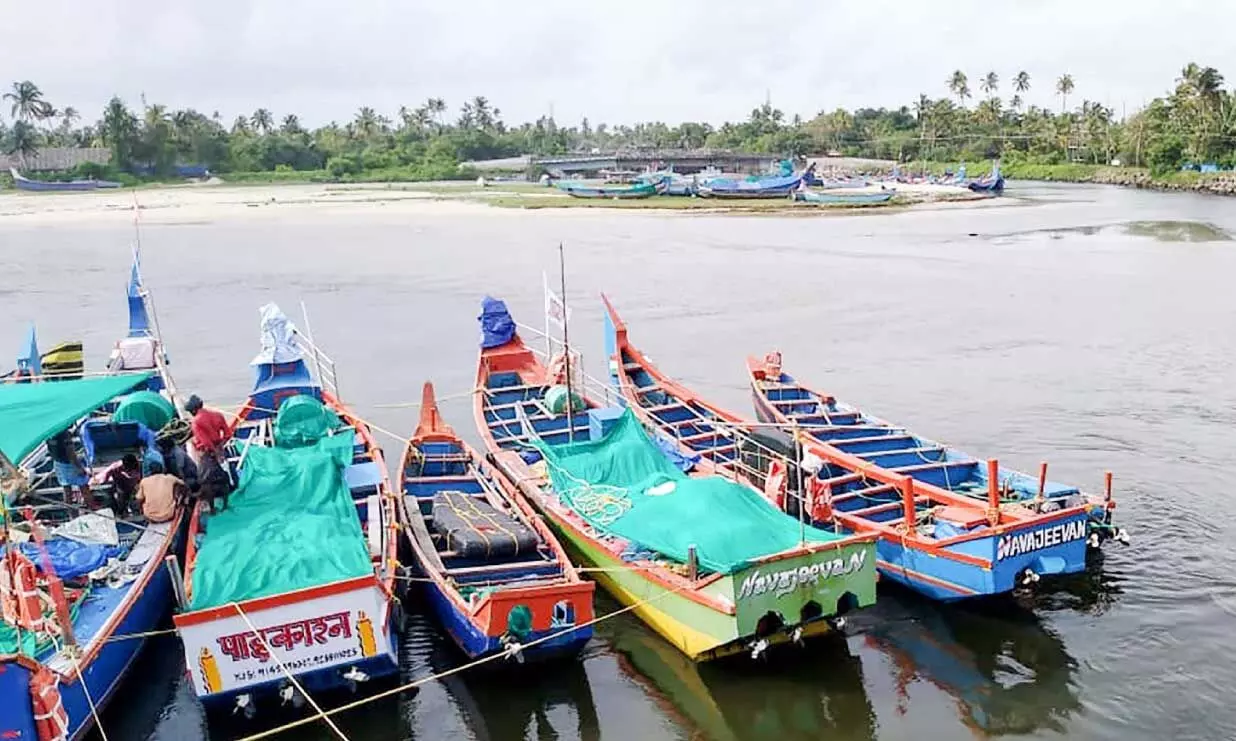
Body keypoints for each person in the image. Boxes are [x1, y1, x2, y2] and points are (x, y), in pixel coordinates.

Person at [47, 430, 91, 505]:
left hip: (58, 463)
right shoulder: (64, 434)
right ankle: (91, 506)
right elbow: (71, 453)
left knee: (67, 489)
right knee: (83, 485)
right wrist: (79, 467)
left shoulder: (49, 434)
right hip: (69, 463)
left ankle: (71, 513)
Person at [186, 395, 230, 462]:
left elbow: (206, 442)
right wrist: (220, 446)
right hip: (219, 447)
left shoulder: (195, 422)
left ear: (194, 410)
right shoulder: (218, 415)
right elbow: (228, 434)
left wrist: (214, 452)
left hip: (206, 453)